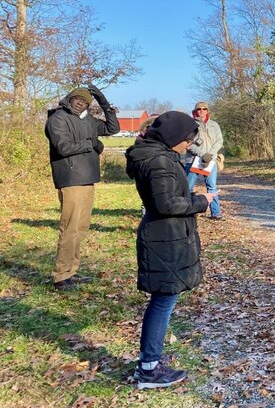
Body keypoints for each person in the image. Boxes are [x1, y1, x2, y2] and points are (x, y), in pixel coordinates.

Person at [126, 111, 215, 389]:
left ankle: (150, 361)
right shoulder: (159, 162)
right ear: (175, 138)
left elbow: (169, 197)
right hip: (164, 237)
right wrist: (201, 201)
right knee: (163, 300)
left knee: (165, 299)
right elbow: (166, 205)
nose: (188, 145)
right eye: (187, 141)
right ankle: (149, 369)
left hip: (167, 236)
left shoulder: (156, 155)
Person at [45, 85, 119, 291]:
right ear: (69, 99)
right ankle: (61, 276)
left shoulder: (87, 119)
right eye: (77, 99)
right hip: (71, 178)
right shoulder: (58, 118)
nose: (80, 103)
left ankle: (72, 272)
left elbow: (113, 129)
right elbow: (63, 147)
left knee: (81, 228)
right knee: (69, 228)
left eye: (85, 101)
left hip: (88, 178)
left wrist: (103, 102)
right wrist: (91, 143)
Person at [184, 101, 223, 220]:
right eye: (199, 109)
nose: (201, 111)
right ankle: (187, 212)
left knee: (212, 187)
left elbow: (219, 141)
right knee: (188, 187)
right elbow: (188, 144)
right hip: (193, 159)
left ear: (207, 111)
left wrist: (209, 155)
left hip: (210, 161)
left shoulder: (214, 125)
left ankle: (216, 213)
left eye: (204, 109)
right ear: (195, 111)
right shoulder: (190, 125)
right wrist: (202, 154)